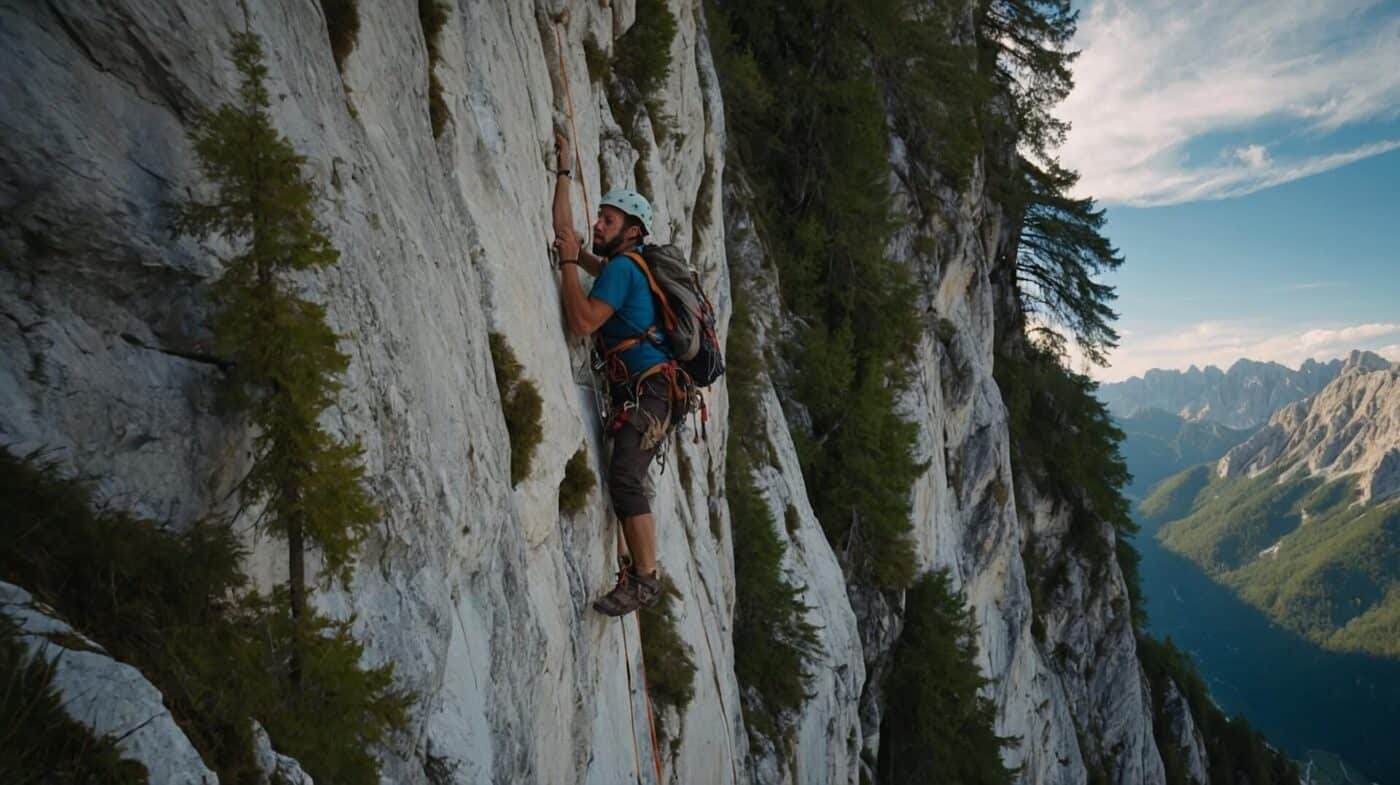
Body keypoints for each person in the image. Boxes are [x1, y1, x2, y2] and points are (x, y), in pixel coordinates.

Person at [551, 133, 683, 616]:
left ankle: (646, 580)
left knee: (626, 476)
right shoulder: (622, 266)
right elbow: (567, 234)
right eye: (600, 216)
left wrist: (569, 263)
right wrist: (563, 172)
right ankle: (633, 567)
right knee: (626, 477)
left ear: (631, 231)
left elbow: (583, 321)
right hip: (651, 393)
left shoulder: (625, 269)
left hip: (650, 392)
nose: (597, 223)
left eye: (608, 220)